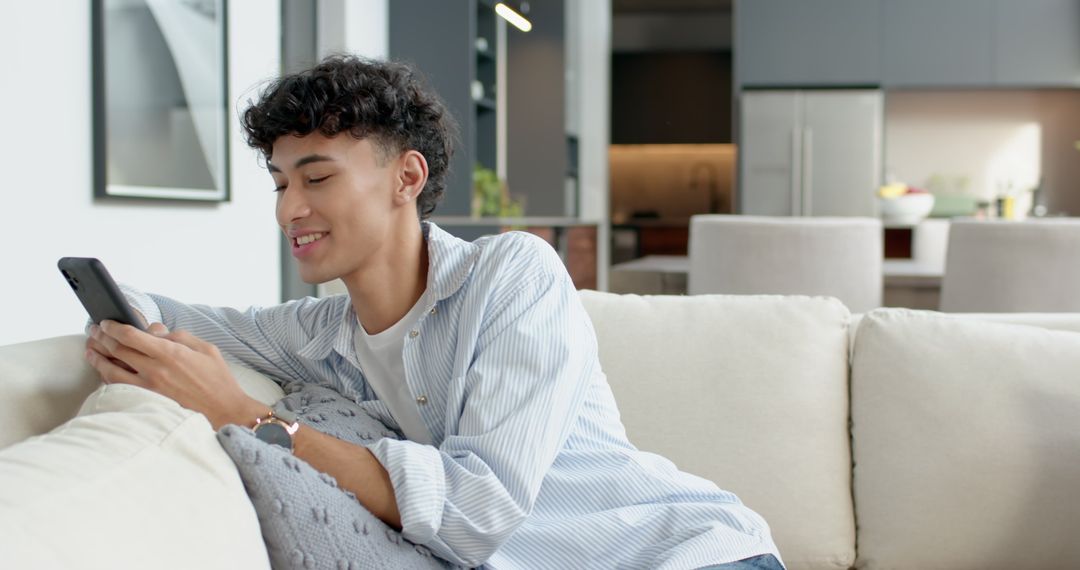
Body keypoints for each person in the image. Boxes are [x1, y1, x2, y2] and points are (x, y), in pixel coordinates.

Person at [84, 54, 783, 570]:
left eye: (317, 177)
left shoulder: (513, 275)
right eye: (280, 184)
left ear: (407, 177)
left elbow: (475, 512)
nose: (289, 209)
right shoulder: (315, 334)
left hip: (687, 555)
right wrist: (112, 322)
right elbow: (164, 312)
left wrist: (242, 414)